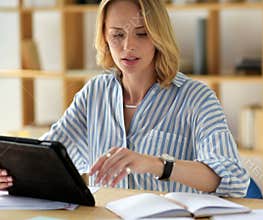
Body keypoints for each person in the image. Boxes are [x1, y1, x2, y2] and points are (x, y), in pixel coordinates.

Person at [0, 0, 250, 197]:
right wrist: (9, 171)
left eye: (141, 34)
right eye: (117, 35)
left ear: (158, 37)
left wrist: (156, 164)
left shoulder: (197, 98)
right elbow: (48, 156)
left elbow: (232, 179)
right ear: (105, 38)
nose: (128, 46)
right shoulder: (94, 93)